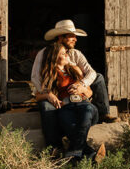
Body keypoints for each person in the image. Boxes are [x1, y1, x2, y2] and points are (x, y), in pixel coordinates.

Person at [30, 19, 110, 159]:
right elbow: (36, 78)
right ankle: (59, 147)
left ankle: (103, 113)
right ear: (61, 37)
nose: (75, 39)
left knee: (98, 78)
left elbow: (90, 73)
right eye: (71, 36)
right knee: (48, 106)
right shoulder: (45, 54)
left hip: (80, 99)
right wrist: (48, 93)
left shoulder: (75, 55)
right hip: (61, 99)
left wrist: (81, 85)